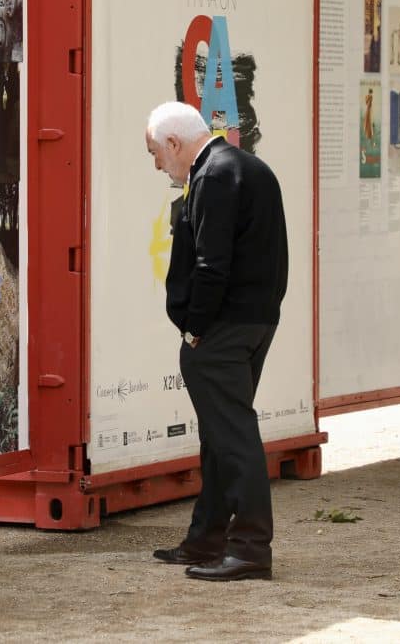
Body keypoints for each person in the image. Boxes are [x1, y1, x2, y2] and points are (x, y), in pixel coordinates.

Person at [143, 100, 289, 582]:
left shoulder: (212, 175)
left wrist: (194, 328)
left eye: (156, 153)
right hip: (255, 320)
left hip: (223, 328)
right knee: (221, 435)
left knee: (233, 437)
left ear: (173, 143)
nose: (158, 165)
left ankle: (249, 547)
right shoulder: (250, 167)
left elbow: (211, 265)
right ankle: (206, 538)